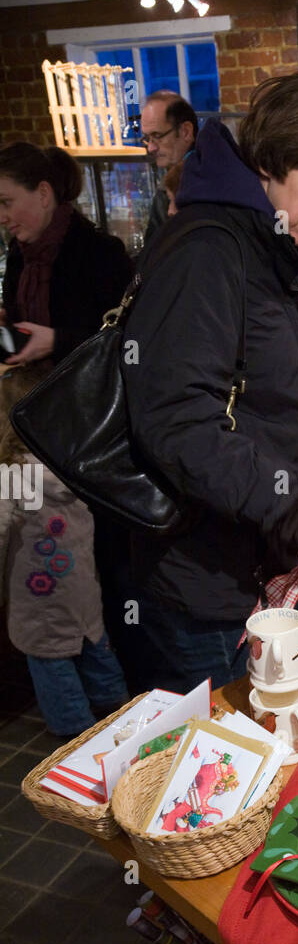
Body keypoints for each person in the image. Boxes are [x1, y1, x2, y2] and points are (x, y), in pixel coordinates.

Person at [121, 71, 298, 693]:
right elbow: (178, 422)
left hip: (246, 568)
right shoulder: (209, 251)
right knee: (234, 767)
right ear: (269, 163)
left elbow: (255, 410)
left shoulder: (257, 246)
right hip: (204, 589)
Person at [0, 144, 131, 737]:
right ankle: (116, 726)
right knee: (69, 589)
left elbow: (125, 346)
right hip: (28, 427)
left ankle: (83, 741)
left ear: (45, 194)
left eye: (8, 202)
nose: (3, 216)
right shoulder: (18, 254)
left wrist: (56, 337)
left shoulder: (99, 255)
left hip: (77, 438)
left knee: (65, 580)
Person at [140, 91, 197, 246]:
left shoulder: (197, 186)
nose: (151, 147)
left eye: (157, 135)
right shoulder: (175, 180)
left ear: (186, 131)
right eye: (146, 138)